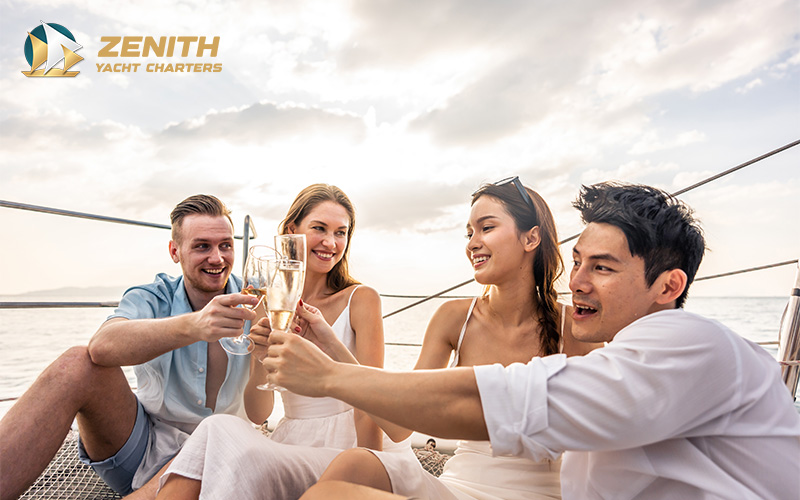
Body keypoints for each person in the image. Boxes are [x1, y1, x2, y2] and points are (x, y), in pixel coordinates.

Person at [263, 182, 800, 500]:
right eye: (580, 262)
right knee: (346, 476)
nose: (578, 281)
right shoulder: (624, 352)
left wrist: (330, 376)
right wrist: (331, 349)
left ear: (668, 287)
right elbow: (408, 421)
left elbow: (498, 402)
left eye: (603, 267)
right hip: (463, 478)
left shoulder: (685, 345)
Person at [298, 177, 601, 500]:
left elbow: (598, 436)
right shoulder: (454, 318)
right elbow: (400, 426)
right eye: (469, 233)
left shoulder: (575, 328)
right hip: (457, 488)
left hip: (533, 494)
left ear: (531, 238)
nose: (472, 243)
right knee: (355, 464)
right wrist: (332, 345)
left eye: (486, 228)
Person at [0, 194, 266, 500]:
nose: (217, 258)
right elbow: (102, 346)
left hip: (223, 458)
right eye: (202, 246)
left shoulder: (257, 300)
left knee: (219, 435)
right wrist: (194, 325)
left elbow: (260, 412)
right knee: (75, 363)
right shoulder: (151, 296)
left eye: (226, 245)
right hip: (143, 451)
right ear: (175, 251)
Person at [156, 184, 386, 499]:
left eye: (341, 232)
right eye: (319, 228)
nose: (330, 242)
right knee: (218, 429)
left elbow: (374, 400)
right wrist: (260, 358)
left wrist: (371, 475)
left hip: (351, 446)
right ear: (292, 231)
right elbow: (258, 414)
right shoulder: (271, 303)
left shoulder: (362, 299)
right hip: (294, 440)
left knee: (218, 434)